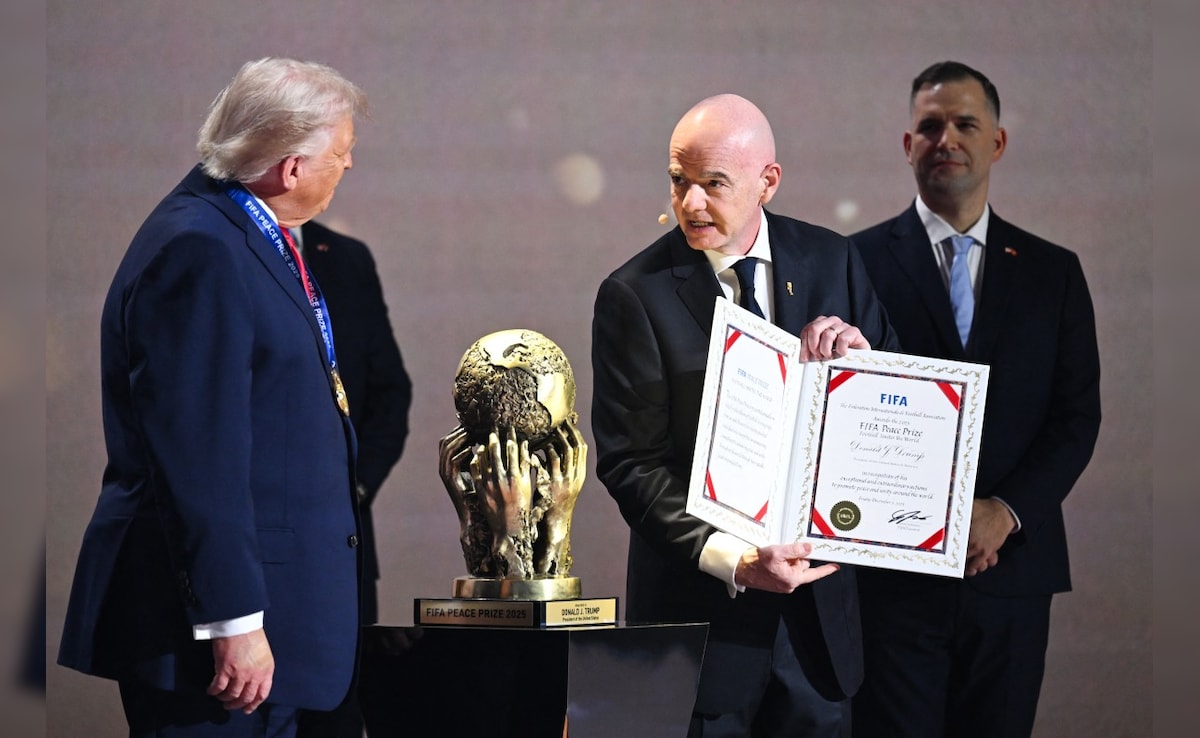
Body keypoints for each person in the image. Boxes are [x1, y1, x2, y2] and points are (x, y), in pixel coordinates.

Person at [58, 57, 368, 737]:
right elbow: (197, 454)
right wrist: (233, 621)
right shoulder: (201, 247)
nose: (348, 165)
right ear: (291, 167)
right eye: (342, 152)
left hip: (274, 627)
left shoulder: (242, 235)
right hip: (217, 644)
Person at [591, 93, 900, 738]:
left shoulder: (832, 259)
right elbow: (631, 465)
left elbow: (890, 405)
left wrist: (861, 362)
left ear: (768, 181)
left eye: (714, 183)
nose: (691, 203)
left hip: (818, 635)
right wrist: (735, 560)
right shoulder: (633, 294)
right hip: (703, 634)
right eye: (679, 180)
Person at [849, 61, 1102, 737]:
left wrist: (1003, 513)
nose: (948, 139)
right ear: (908, 145)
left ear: (997, 142)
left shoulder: (1054, 273)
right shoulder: (853, 263)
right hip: (891, 583)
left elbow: (1076, 417)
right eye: (931, 126)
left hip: (1013, 575)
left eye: (966, 123)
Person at [290, 219, 412, 738]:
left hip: (343, 548)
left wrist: (352, 490)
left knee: (335, 720)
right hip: (261, 550)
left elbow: (391, 392)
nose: (341, 176)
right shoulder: (224, 247)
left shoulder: (346, 258)